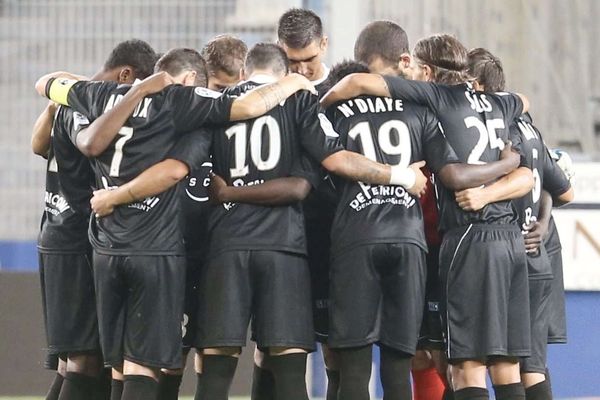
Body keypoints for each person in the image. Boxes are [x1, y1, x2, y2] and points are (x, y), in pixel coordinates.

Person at [35, 48, 317, 400]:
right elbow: (244, 111)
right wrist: (295, 79)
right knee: (143, 366)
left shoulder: (99, 95)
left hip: (104, 250)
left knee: (111, 366)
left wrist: (103, 90)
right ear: (187, 82)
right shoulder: (181, 102)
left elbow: (44, 85)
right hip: (156, 250)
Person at [322, 34, 535, 400]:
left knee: (463, 364)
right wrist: (507, 165)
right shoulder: (500, 104)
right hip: (492, 239)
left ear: (425, 69)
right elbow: (529, 163)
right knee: (501, 362)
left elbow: (451, 176)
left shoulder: (434, 99)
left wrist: (320, 104)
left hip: (459, 239)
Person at [31, 39, 157, 400]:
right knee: (84, 360)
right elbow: (91, 144)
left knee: (79, 358)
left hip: (56, 232)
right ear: (127, 74)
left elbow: (38, 146)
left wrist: (71, 93)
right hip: (75, 239)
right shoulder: (91, 113)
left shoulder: (69, 102)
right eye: (134, 89)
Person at [467, 47, 574, 400]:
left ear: (478, 86)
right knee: (532, 367)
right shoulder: (530, 127)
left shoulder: (496, 128)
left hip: (510, 255)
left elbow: (524, 179)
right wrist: (543, 221)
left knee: (481, 364)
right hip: (537, 252)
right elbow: (561, 189)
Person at [352, 20, 448, 399]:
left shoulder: (431, 102)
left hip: (434, 242)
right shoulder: (378, 105)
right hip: (408, 237)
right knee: (414, 354)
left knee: (436, 353)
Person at [276, 8, 337, 399]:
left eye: (309, 61)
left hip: (333, 233)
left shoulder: (346, 90)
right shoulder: (266, 95)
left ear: (325, 45)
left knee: (337, 347)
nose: (301, 70)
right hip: (282, 237)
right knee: (278, 347)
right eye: (292, 62)